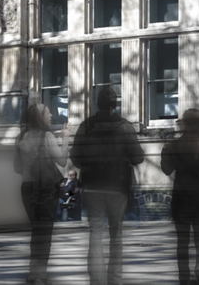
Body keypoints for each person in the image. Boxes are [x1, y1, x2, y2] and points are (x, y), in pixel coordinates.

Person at [68, 85, 145, 285]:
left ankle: (97, 281)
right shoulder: (125, 126)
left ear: (97, 103)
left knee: (95, 234)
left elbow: (75, 156)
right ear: (115, 104)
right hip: (118, 186)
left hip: (93, 185)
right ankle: (115, 281)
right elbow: (138, 157)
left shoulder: (86, 126)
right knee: (116, 236)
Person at [162, 108, 199, 285]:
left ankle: (184, 278)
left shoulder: (174, 145)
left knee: (182, 242)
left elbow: (166, 169)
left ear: (185, 123)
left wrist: (165, 152)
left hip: (181, 198)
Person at [14, 103, 64, 285]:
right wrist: (65, 139)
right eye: (48, 113)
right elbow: (63, 161)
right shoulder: (47, 136)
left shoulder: (20, 137)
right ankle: (39, 274)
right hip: (45, 189)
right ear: (39, 117)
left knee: (36, 231)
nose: (51, 115)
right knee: (45, 234)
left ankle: (33, 272)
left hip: (27, 188)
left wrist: (30, 166)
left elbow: (16, 167)